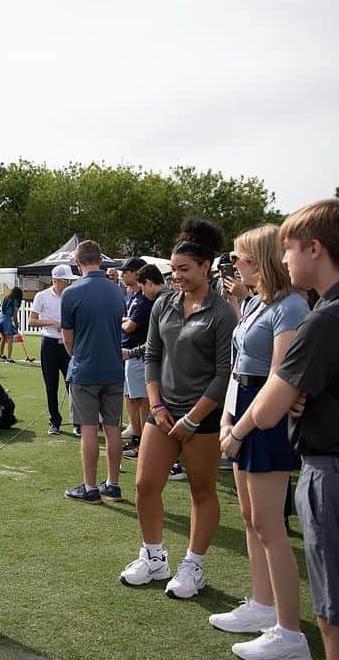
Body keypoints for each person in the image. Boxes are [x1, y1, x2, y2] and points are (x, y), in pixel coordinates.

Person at [221, 199, 339, 660]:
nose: (285, 259)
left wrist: (252, 418)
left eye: (290, 249)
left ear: (316, 249)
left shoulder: (323, 318)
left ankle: (287, 632)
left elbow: (269, 407)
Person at [206, 225, 311, 659]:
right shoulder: (257, 302)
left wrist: (239, 427)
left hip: (265, 418)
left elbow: (278, 378)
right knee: (252, 519)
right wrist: (227, 419)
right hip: (243, 407)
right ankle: (263, 605)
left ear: (260, 259)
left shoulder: (289, 307)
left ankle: (290, 633)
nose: (235, 265)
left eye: (241, 258)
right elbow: (239, 369)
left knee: (270, 526)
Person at [119, 218, 236, 599]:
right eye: (174, 269)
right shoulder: (163, 304)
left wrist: (192, 418)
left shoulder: (222, 313)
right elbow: (152, 355)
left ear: (206, 267)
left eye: (185, 269)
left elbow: (223, 374)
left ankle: (193, 566)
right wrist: (156, 404)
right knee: (144, 484)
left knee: (202, 489)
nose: (177, 277)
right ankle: (154, 557)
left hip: (201, 415)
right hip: (162, 410)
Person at [61, 240, 128, 504]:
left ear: (78, 263)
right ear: (100, 260)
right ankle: (112, 484)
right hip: (113, 368)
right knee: (112, 428)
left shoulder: (72, 293)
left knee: (89, 429)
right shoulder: (116, 291)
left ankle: (90, 487)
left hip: (85, 369)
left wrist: (77, 357)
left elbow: (68, 339)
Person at [122, 264, 166, 459]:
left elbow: (159, 341)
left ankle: (158, 453)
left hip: (163, 364)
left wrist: (132, 352)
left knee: (150, 404)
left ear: (148, 283)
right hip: (153, 359)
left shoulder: (163, 302)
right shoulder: (161, 300)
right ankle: (147, 448)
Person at [30, 265, 74, 435]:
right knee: (51, 385)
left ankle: (76, 421)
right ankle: (54, 420)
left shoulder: (70, 296)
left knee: (73, 384)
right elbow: (32, 321)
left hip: (68, 344)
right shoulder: (42, 296)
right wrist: (52, 323)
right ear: (56, 280)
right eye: (66, 280)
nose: (68, 283)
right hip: (49, 344)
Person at [119, 258, 152, 454]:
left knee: (142, 400)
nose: (124, 274)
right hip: (129, 354)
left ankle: (142, 442)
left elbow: (130, 326)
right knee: (131, 397)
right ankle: (137, 437)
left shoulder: (144, 299)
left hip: (139, 354)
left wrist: (122, 321)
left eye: (127, 271)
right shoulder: (131, 296)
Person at [0, 287, 35, 363]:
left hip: (1, 319)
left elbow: (7, 311)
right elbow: (15, 314)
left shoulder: (6, 298)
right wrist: (16, 324)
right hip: (7, 320)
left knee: (3, 337)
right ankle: (9, 358)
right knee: (10, 339)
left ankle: (1, 355)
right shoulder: (15, 301)